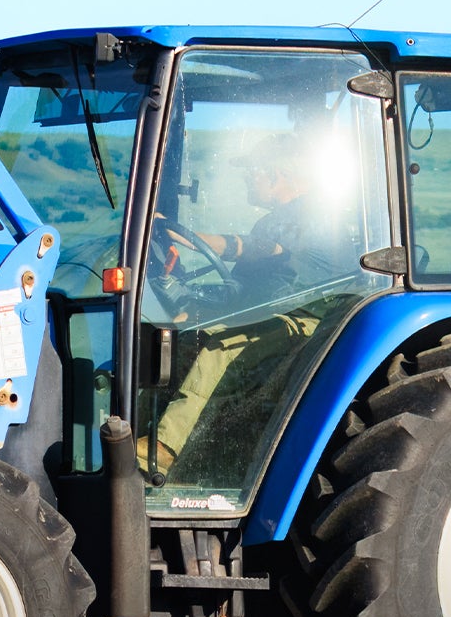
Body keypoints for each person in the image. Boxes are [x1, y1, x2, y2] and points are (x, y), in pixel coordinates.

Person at [139, 133, 358, 482]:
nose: (245, 178)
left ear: (275, 174)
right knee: (178, 339)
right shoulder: (274, 219)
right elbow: (239, 287)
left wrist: (186, 237)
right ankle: (138, 435)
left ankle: (163, 449)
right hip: (269, 314)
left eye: (251, 171)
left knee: (218, 348)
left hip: (305, 322)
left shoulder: (313, 214)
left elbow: (254, 248)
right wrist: (190, 306)